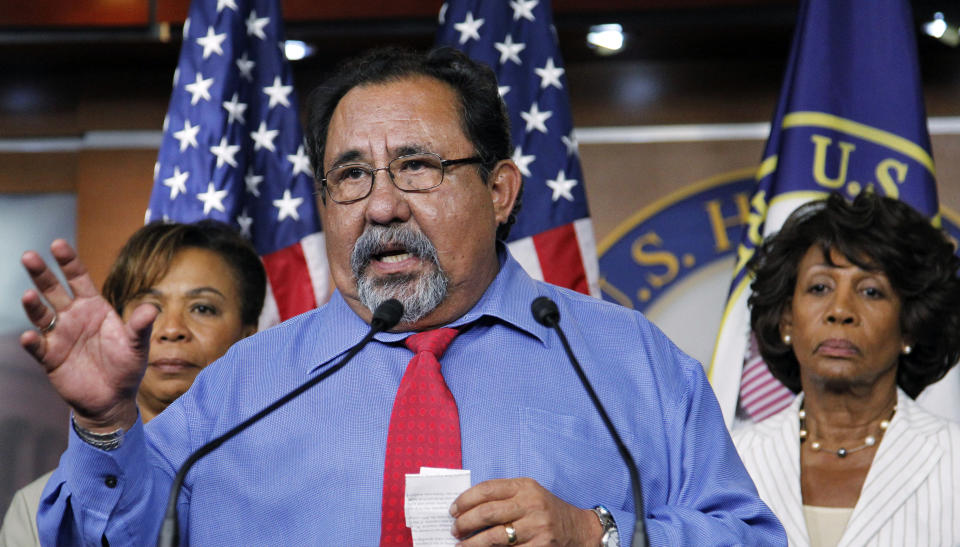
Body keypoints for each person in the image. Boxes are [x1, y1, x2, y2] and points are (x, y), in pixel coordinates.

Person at [22, 47, 783, 546]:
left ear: (500, 191)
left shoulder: (628, 362)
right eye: (351, 175)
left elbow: (751, 538)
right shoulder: (242, 388)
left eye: (416, 165)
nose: (380, 205)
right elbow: (101, 537)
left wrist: (600, 534)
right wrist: (104, 424)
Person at [0, 220, 265, 546]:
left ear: (249, 335)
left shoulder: (284, 486)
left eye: (202, 308)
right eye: (148, 307)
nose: (171, 329)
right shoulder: (41, 508)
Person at [733, 192, 960, 546]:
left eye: (871, 292)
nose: (840, 310)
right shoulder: (733, 461)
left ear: (911, 325)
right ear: (786, 319)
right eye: (820, 287)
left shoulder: (954, 459)